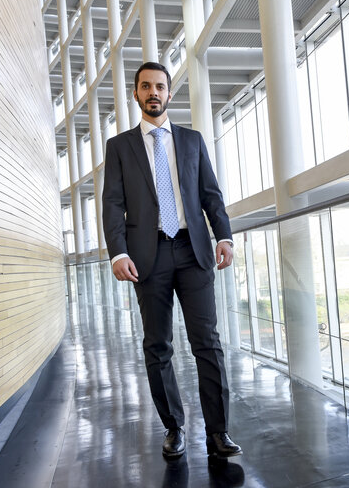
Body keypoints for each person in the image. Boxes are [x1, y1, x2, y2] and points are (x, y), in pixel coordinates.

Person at [102, 61, 241, 460]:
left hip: (193, 251)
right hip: (148, 257)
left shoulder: (193, 140)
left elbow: (211, 195)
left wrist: (224, 237)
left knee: (208, 343)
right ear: (136, 94)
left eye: (160, 87)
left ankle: (218, 431)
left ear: (168, 92)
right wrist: (118, 252)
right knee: (158, 345)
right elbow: (113, 204)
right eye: (146, 86)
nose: (154, 93)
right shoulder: (120, 147)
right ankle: (174, 427)